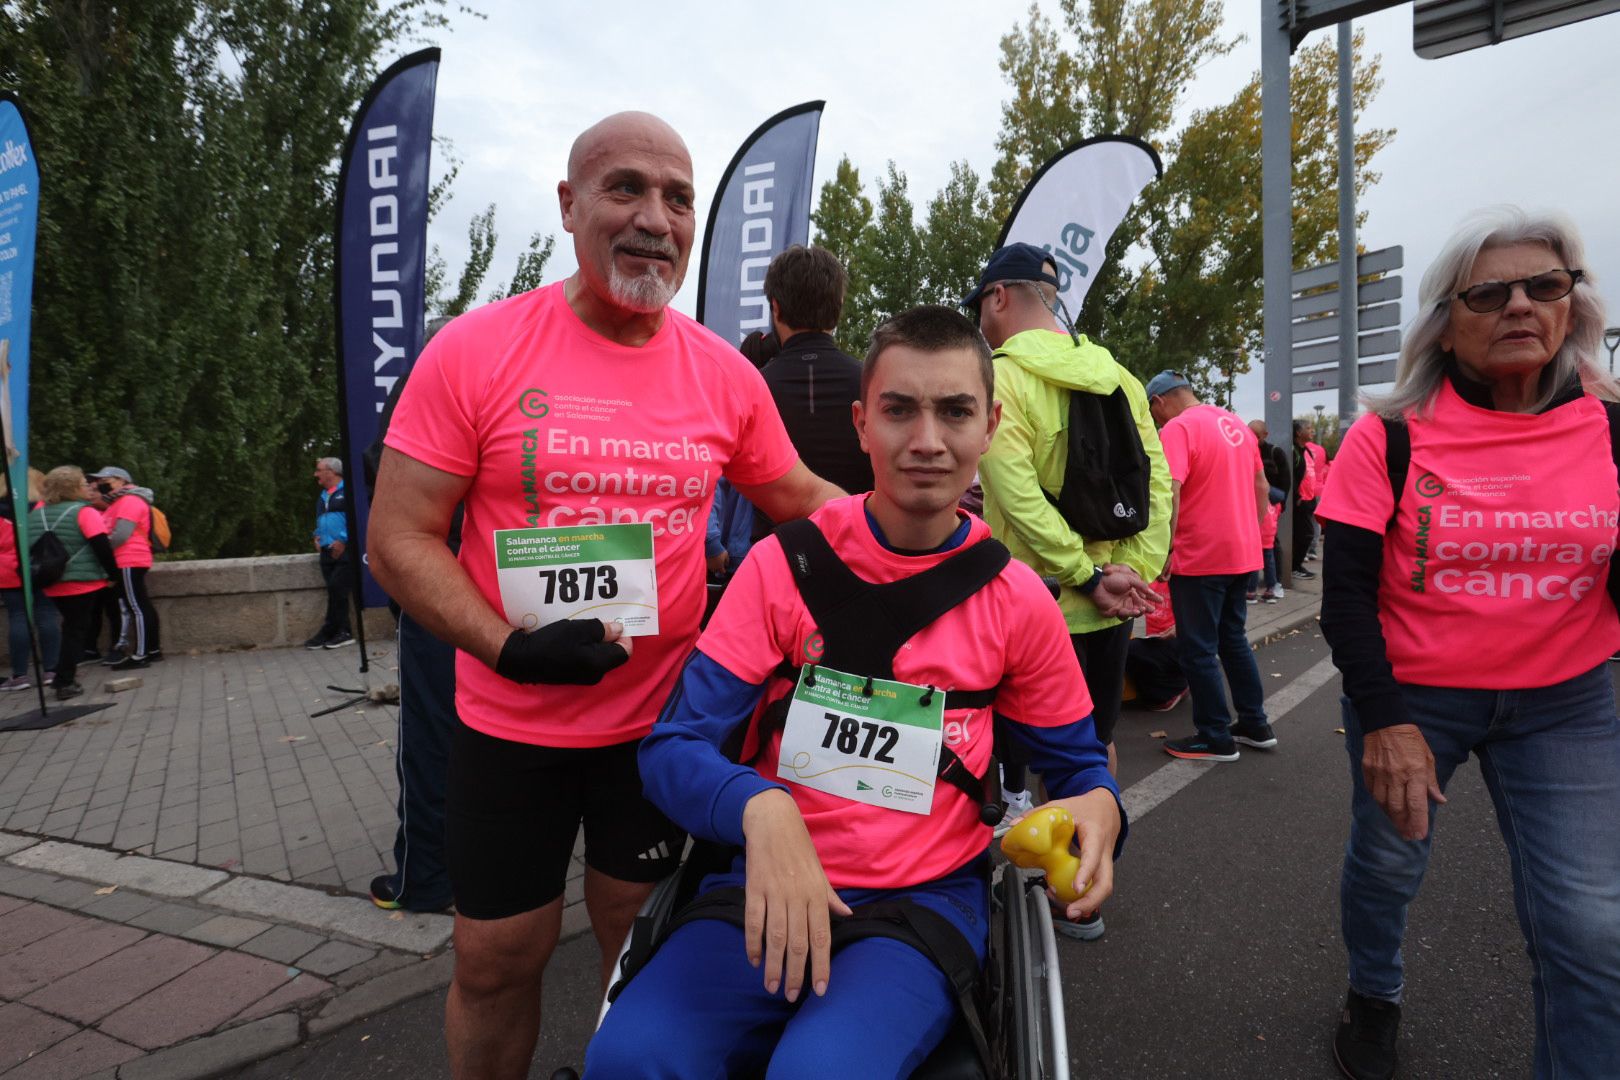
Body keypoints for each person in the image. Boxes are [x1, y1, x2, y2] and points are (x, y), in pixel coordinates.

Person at [367, 111, 842, 1080]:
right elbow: (397, 537)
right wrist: (504, 644)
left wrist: (946, 544)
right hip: (510, 724)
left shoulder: (724, 374)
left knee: (639, 940)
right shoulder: (474, 349)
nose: (655, 218)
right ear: (569, 205)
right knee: (497, 958)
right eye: (626, 188)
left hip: (657, 730)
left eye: (677, 197)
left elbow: (802, 502)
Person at [583, 305, 1124, 1079]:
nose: (927, 441)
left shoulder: (1018, 601)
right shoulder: (778, 569)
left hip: (919, 905)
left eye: (955, 411)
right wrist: (760, 809)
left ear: (991, 425)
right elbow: (673, 749)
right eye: (900, 410)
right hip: (761, 887)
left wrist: (1101, 805)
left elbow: (1078, 772)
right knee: (630, 1060)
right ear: (862, 423)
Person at [1317, 207, 1620, 1080]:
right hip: (1415, 697)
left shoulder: (1611, 427)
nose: (1520, 304)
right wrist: (1383, 720)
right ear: (1446, 328)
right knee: (1386, 867)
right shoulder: (1389, 435)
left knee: (1594, 927)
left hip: (1566, 702)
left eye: (1545, 285)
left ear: (1573, 305)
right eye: (1489, 293)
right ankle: (1373, 994)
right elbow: (1343, 598)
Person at [965, 241, 1167, 940]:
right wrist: (1132, 577)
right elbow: (1157, 484)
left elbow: (1014, 493)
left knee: (995, 746)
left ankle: (977, 887)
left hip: (1030, 601)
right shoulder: (1121, 379)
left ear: (999, 299)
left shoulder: (1002, 376)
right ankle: (1080, 893)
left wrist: (1080, 575)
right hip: (1112, 608)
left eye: (981, 310)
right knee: (1092, 744)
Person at [364, 317, 459, 914]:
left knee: (431, 737)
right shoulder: (509, 384)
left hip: (439, 589)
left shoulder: (425, 383)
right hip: (506, 586)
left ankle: (424, 877)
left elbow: (386, 481)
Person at [1145, 371, 1275, 761]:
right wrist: (1249, 534)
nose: (1157, 422)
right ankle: (1255, 723)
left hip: (1200, 554)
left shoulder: (1179, 429)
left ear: (1159, 402)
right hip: (1243, 552)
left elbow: (1171, 488)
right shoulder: (1236, 425)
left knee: (1198, 649)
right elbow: (1262, 487)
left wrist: (1165, 548)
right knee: (1233, 639)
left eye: (1155, 414)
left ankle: (1214, 734)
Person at [752, 244, 873, 540]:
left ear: (775, 307)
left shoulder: (754, 387)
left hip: (777, 555)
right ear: (839, 304)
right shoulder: (873, 383)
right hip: (859, 549)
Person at [33, 466, 119, 700]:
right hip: (81, 579)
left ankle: (61, 675)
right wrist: (113, 574)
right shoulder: (84, 512)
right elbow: (101, 546)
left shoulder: (37, 513)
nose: (88, 488)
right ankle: (65, 682)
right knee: (75, 630)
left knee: (69, 627)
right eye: (83, 484)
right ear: (72, 488)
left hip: (50, 580)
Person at [88, 466, 162, 668]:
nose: (100, 484)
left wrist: (102, 549)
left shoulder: (129, 501)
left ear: (121, 481)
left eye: (106, 480)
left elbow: (121, 535)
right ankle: (152, 650)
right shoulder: (120, 502)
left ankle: (141, 655)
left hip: (129, 558)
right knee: (140, 605)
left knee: (136, 607)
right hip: (129, 558)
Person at [0, 468, 59, 689]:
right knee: (46, 615)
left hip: (7, 570)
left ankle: (19, 675)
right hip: (41, 567)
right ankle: (51, 670)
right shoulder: (44, 509)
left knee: (17, 617)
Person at [304, 457, 353, 650]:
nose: (316, 474)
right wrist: (316, 536)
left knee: (337, 588)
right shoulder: (323, 495)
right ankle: (340, 631)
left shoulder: (347, 492)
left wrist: (343, 539)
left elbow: (354, 518)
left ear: (331, 472)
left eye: (319, 470)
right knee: (334, 592)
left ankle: (334, 630)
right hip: (326, 551)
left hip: (344, 549)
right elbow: (323, 519)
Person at [1248, 418, 1291, 602]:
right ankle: (1267, 586)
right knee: (1263, 547)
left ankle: (1273, 583)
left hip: (1271, 506)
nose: (1252, 438)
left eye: (1256, 435)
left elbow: (1286, 481)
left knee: (1270, 547)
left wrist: (1280, 504)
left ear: (1265, 435)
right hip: (1252, 505)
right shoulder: (1245, 450)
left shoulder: (1275, 452)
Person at [1291, 421, 1320, 580]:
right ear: (1297, 433)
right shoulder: (1293, 451)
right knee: (1306, 535)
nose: (1312, 431)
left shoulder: (1306, 450)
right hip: (1299, 502)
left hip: (1309, 499)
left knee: (1305, 534)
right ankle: (1294, 567)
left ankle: (1297, 566)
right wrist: (1297, 497)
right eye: (1308, 428)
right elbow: (1292, 476)